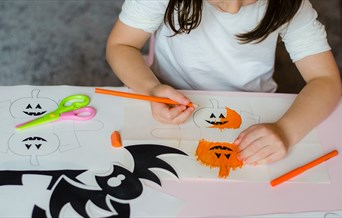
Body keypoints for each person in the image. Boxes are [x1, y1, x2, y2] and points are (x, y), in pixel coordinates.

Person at [106, 0, 341, 166]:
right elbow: (121, 46)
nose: (233, 7)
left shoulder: (290, 5)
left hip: (253, 111)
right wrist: (151, 89)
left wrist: (286, 130)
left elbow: (326, 79)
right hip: (169, 102)